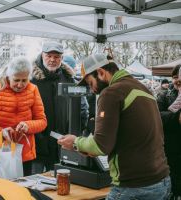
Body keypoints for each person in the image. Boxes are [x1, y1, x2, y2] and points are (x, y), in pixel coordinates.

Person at [58, 54, 171, 199]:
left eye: (90, 83)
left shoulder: (111, 93)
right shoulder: (143, 89)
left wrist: (75, 142)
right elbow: (133, 133)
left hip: (133, 186)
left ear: (101, 73)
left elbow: (100, 146)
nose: (91, 89)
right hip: (161, 181)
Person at [0, 56, 47, 176]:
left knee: (23, 190)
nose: (20, 85)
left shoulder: (33, 89)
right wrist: (0, 132)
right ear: (9, 76)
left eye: (24, 80)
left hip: (24, 153)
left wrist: (28, 126)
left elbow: (42, 121)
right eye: (16, 80)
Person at [31, 42, 76, 174]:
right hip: (37, 142)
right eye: (48, 55)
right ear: (42, 55)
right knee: (34, 183)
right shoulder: (31, 78)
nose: (52, 60)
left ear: (61, 58)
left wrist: (74, 131)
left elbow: (80, 106)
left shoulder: (68, 78)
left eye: (56, 57)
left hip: (61, 143)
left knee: (59, 184)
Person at [157, 64, 181, 199]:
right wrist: (176, 117)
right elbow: (155, 116)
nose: (177, 80)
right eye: (174, 77)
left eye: (180, 77)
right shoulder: (164, 96)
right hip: (169, 150)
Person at [63, 55, 89, 134]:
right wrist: (83, 127)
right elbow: (83, 108)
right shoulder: (75, 84)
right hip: (73, 129)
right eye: (74, 67)